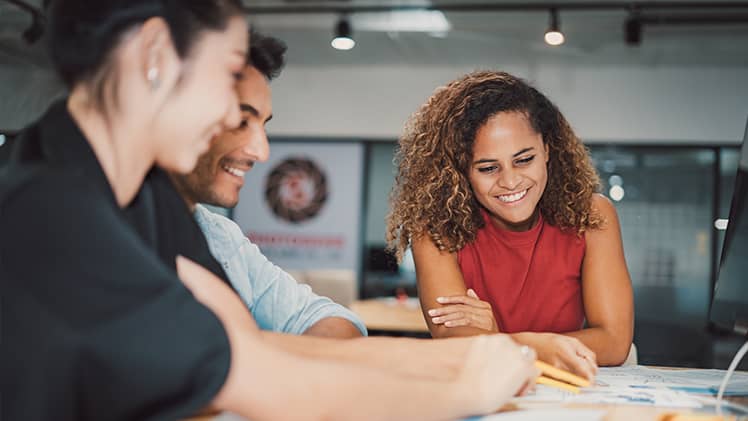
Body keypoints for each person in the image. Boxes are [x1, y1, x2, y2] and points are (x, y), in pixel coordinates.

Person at [1, 3, 538, 420]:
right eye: (227, 75)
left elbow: (252, 346)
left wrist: (465, 359)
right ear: (155, 56)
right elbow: (268, 384)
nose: (253, 145)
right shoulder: (49, 213)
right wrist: (470, 385)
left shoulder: (142, 196)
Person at [387, 70, 634, 379]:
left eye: (523, 159)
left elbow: (614, 342)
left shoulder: (593, 216)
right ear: (461, 171)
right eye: (489, 167)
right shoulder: (434, 229)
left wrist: (499, 338)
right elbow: (455, 344)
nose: (511, 181)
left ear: (547, 148)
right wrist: (537, 346)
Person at [169, 31, 365, 338]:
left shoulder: (220, 236)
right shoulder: (106, 233)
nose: (262, 152)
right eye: (241, 121)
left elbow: (327, 317)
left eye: (263, 125)